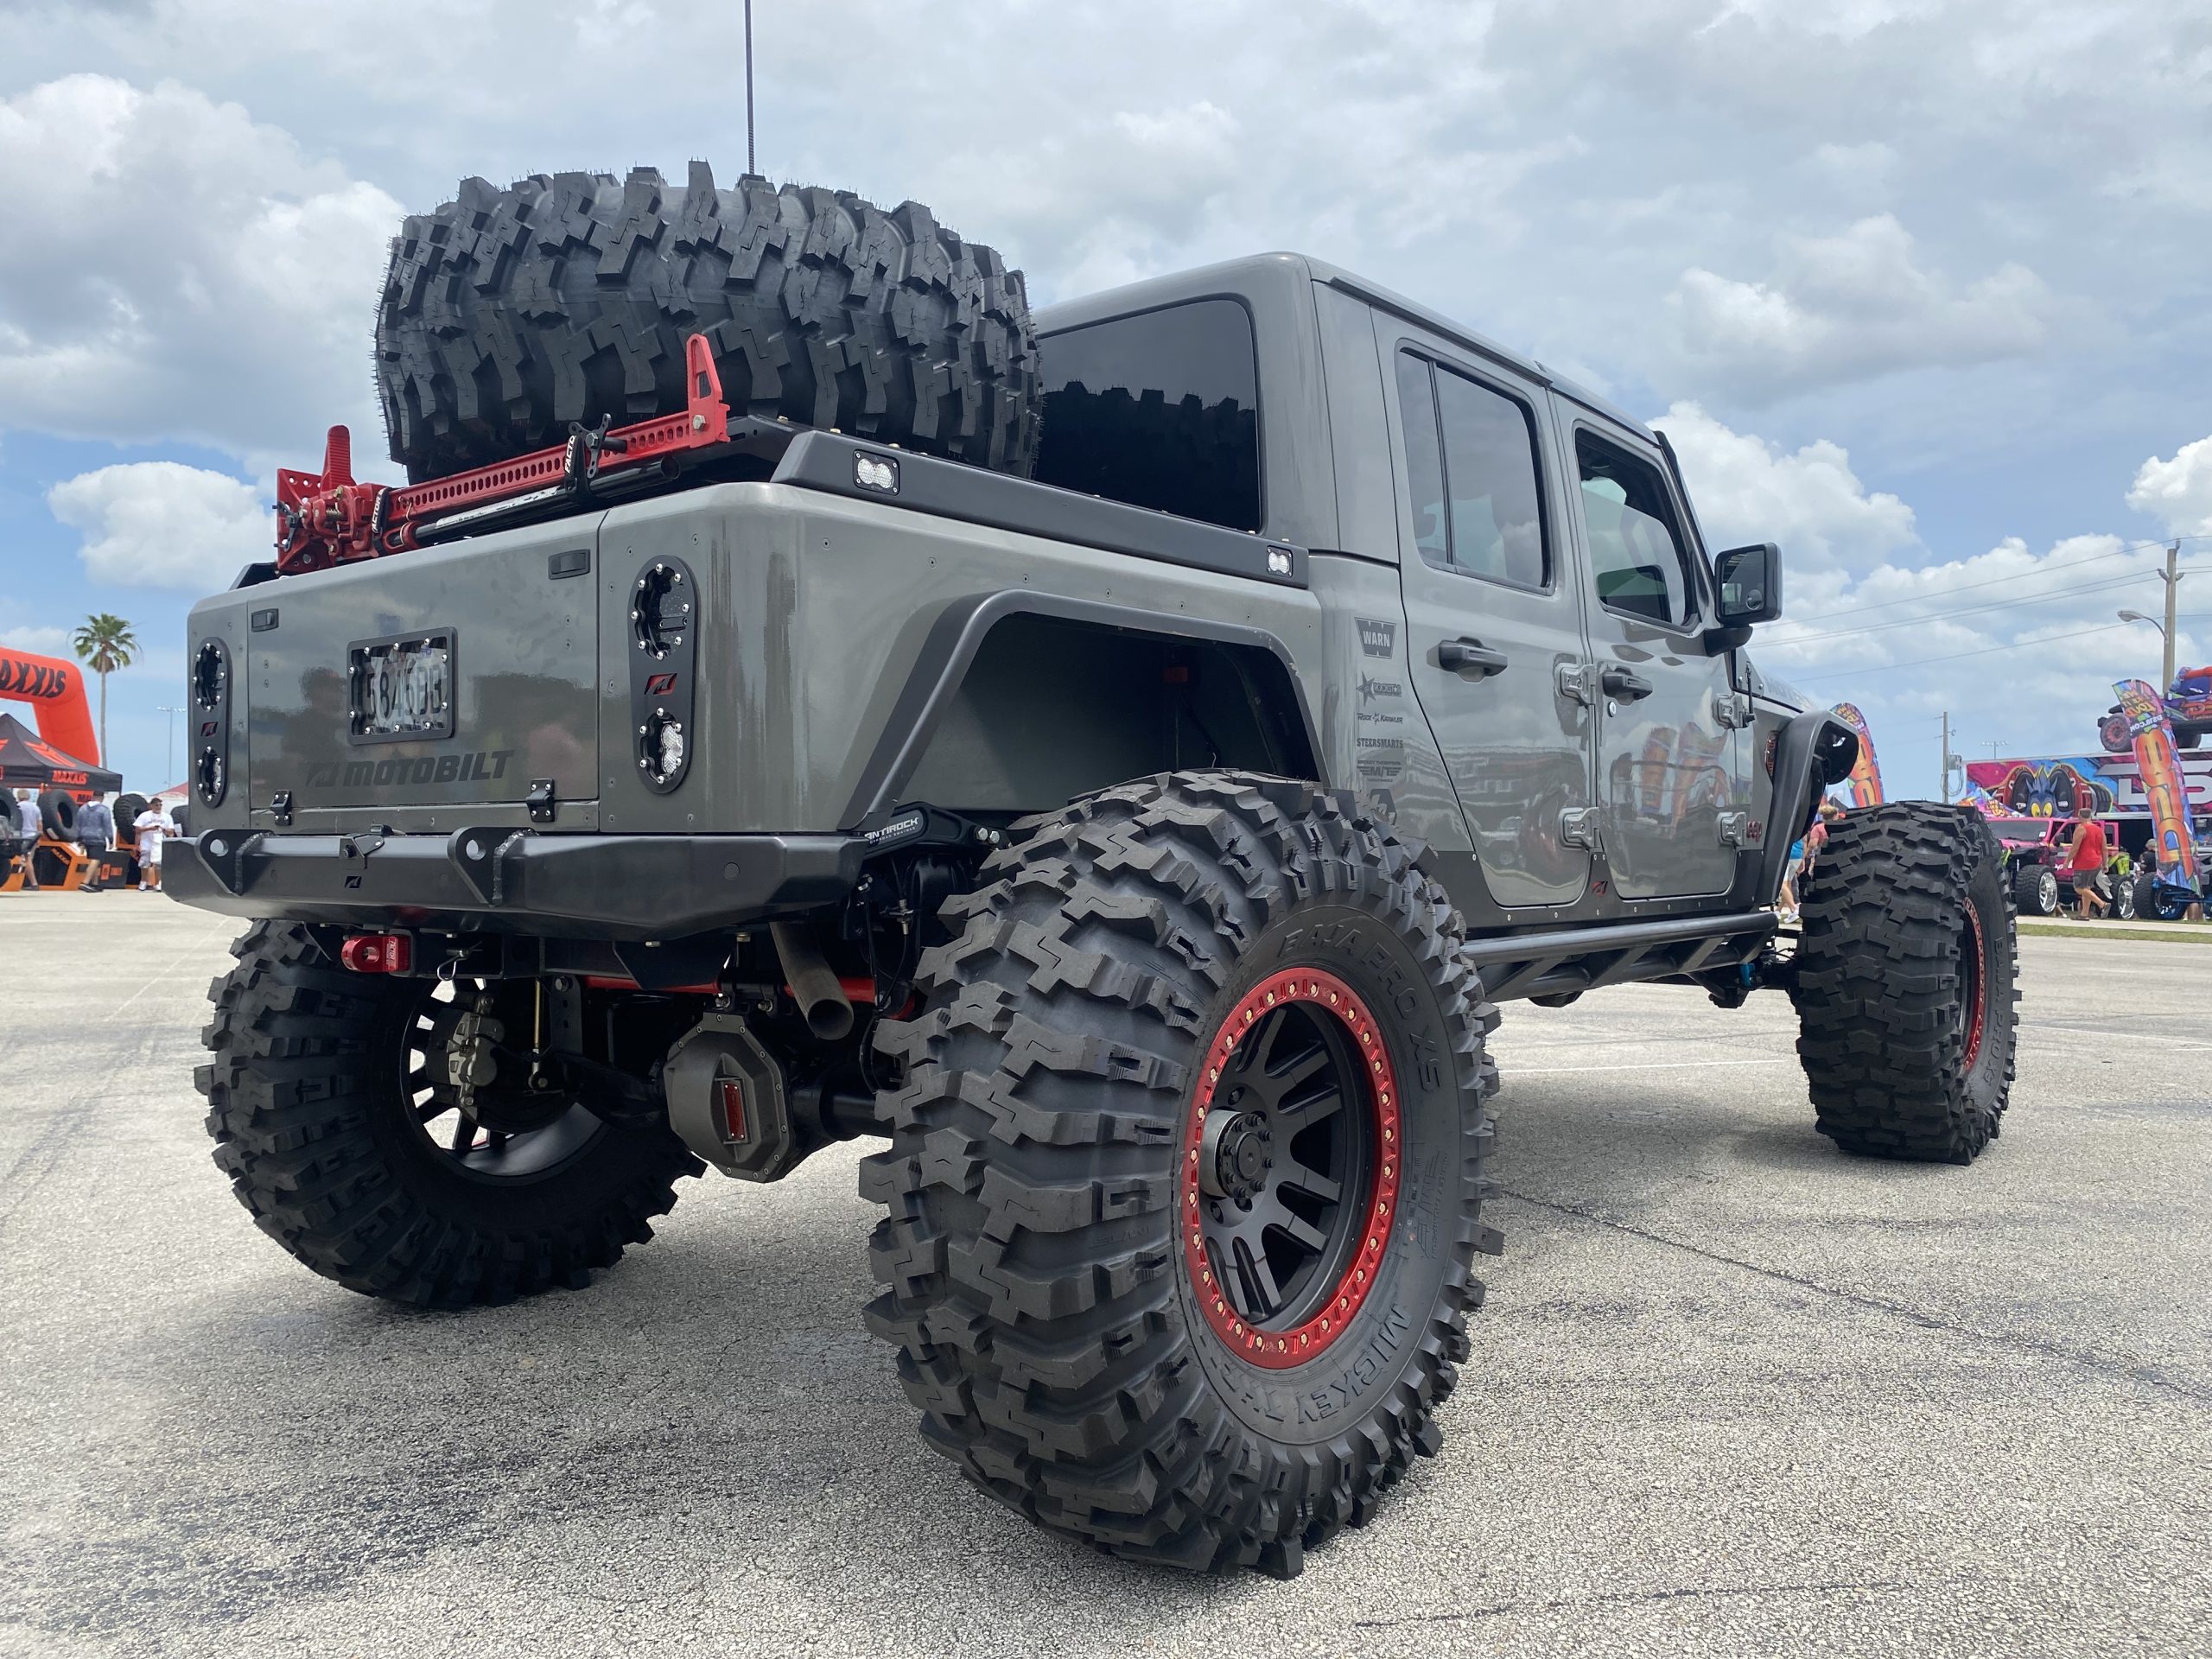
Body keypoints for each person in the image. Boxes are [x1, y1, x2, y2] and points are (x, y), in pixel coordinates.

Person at [2064, 815, 2107, 919]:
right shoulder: (2099, 830)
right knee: (2086, 888)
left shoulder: (2081, 829)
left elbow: (2075, 848)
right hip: (2096, 862)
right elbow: (2104, 848)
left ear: (2079, 817)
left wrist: (2067, 861)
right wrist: (2105, 863)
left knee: (2079, 888)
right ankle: (2084, 914)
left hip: (2083, 862)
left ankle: (2102, 904)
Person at [76, 792, 114, 891]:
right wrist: (110, 839)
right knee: (96, 860)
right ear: (102, 798)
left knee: (92, 859)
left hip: (85, 836)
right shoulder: (104, 809)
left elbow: (78, 823)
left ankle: (95, 884)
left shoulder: (82, 808)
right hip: (98, 837)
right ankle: (85, 882)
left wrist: (79, 838)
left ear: (92, 797)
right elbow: (107, 825)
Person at [132, 798, 170, 892]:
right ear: (151, 806)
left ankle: (158, 883)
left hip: (159, 843)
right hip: (147, 843)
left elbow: (171, 831)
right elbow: (137, 830)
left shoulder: (166, 817)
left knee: (158, 864)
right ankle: (143, 882)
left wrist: (163, 829)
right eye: (156, 805)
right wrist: (149, 829)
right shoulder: (144, 816)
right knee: (145, 864)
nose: (158, 807)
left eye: (160, 805)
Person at [12, 788, 41, 889]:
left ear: (19, 797)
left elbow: (15, 821)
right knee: (29, 859)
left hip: (23, 836)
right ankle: (24, 883)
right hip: (33, 836)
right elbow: (39, 824)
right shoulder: (36, 808)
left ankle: (34, 884)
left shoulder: (18, 807)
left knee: (25, 859)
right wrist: (38, 838)